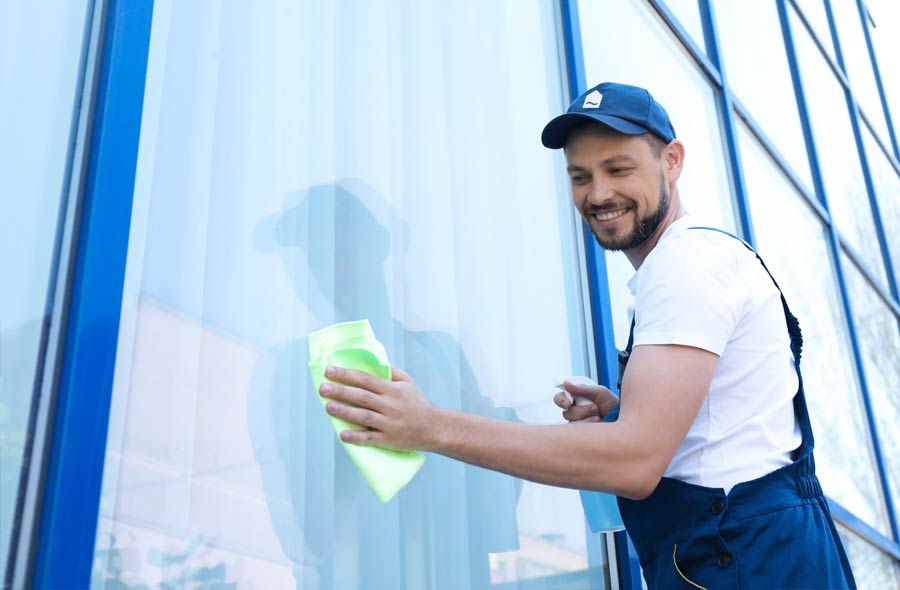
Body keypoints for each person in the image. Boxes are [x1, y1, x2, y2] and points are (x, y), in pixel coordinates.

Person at [316, 82, 857, 589]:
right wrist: (625, 415)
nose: (599, 193)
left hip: (749, 561)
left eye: (618, 169)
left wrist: (430, 426)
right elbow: (719, 438)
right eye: (580, 176)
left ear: (672, 161)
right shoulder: (692, 265)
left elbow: (635, 462)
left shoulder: (686, 264)